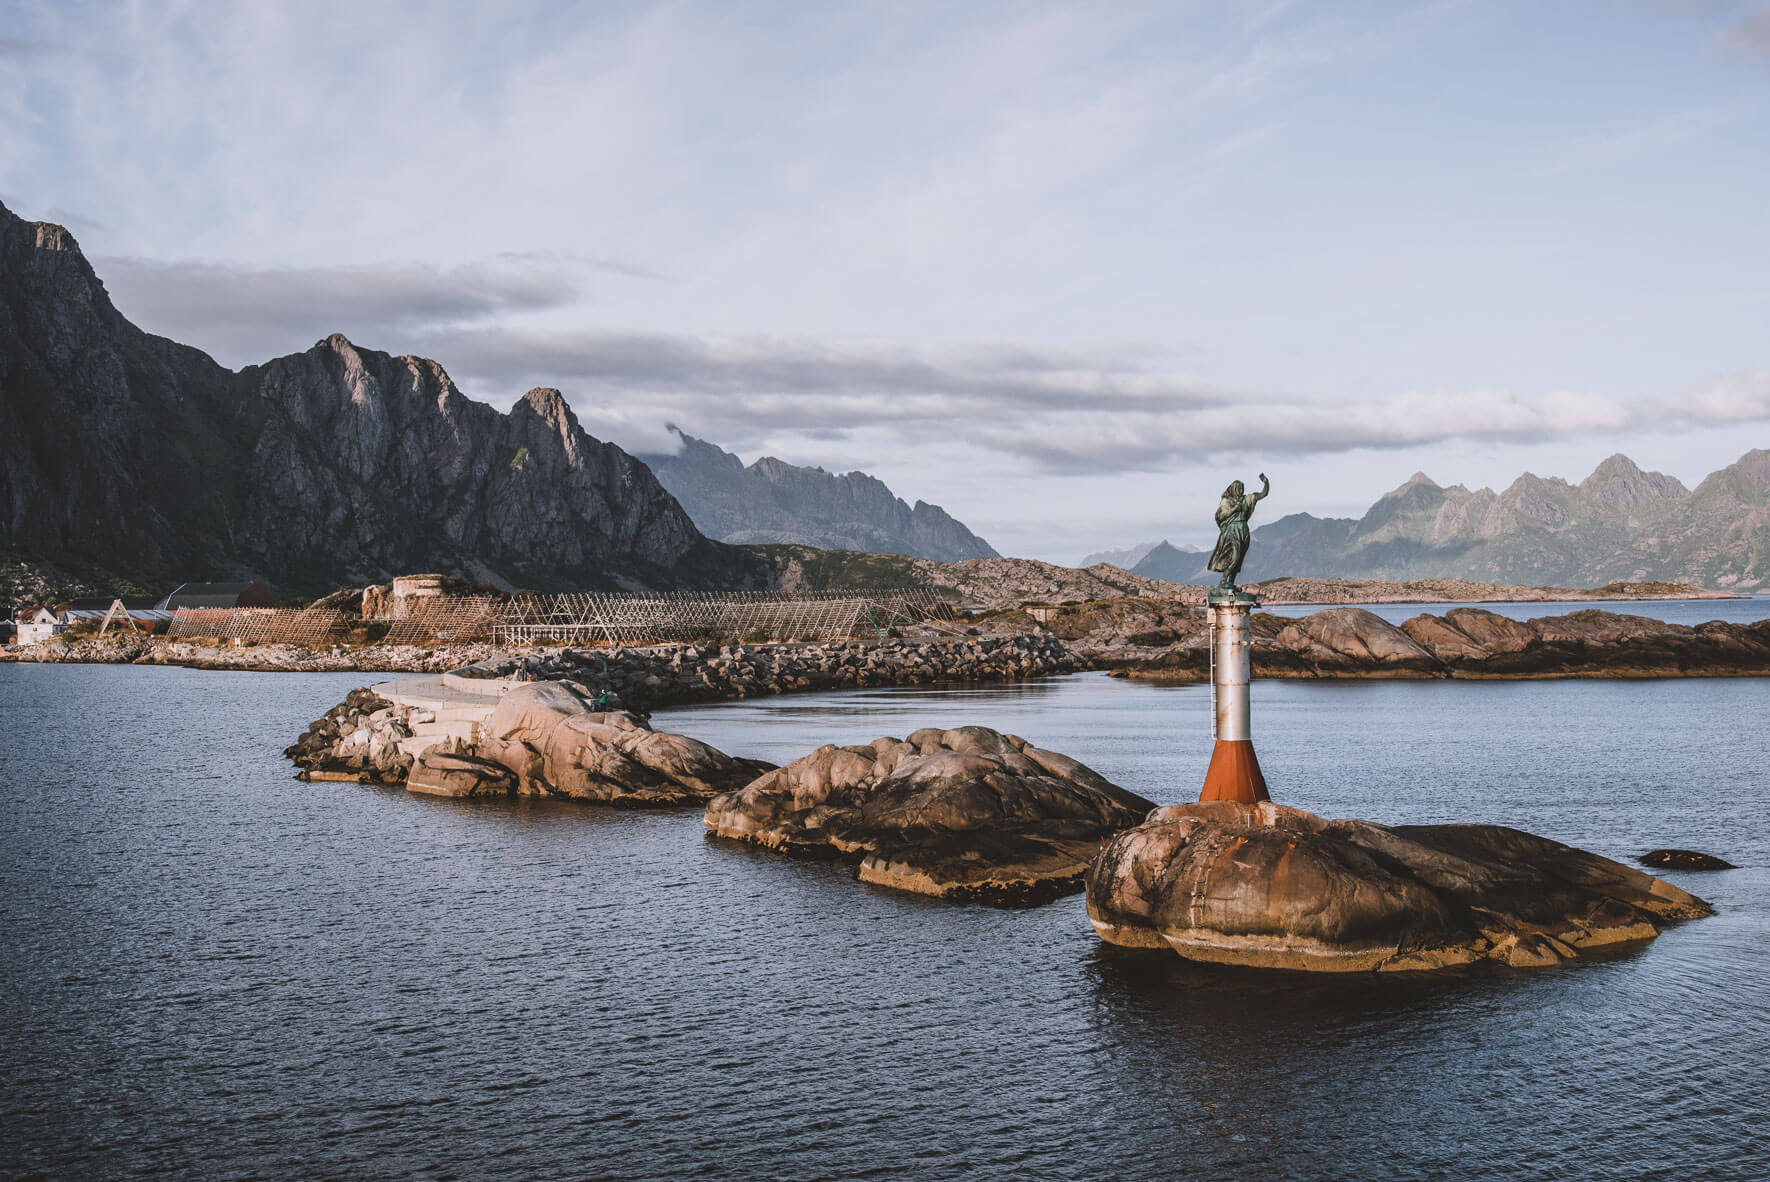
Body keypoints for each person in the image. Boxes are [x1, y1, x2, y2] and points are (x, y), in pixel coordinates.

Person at [1207, 473, 1270, 592]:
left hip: (1244, 531)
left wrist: (1266, 482)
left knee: (1239, 558)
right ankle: (1223, 581)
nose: (1241, 490)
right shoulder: (1226, 501)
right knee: (1235, 556)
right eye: (1239, 488)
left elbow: (1263, 494)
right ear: (1234, 489)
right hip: (1232, 530)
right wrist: (1234, 509)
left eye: (1242, 488)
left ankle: (1230, 584)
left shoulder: (1247, 499)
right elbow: (1220, 516)